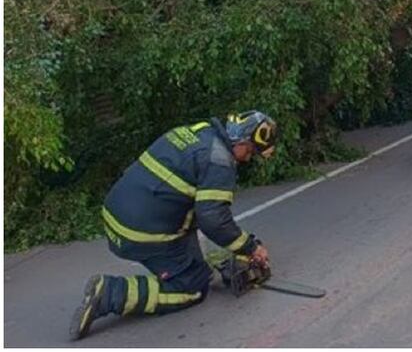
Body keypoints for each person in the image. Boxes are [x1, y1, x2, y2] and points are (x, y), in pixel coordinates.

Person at [70, 112, 277, 340]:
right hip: (139, 233)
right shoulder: (220, 161)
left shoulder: (196, 131)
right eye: (250, 151)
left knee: (199, 263)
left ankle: (194, 265)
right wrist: (250, 248)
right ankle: (110, 293)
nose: (247, 158)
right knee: (193, 287)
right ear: (242, 139)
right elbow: (213, 219)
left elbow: (196, 209)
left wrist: (223, 251)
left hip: (116, 215)